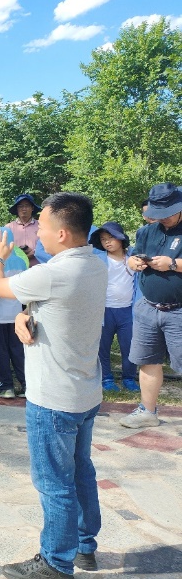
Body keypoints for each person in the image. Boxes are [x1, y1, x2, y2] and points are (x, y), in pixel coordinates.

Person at [0, 192, 106, 579]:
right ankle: (84, 546)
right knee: (81, 471)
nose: (38, 234)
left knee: (54, 483)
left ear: (64, 233)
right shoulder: (95, 263)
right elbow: (48, 305)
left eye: (43, 228)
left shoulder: (53, 273)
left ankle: (56, 564)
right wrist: (24, 315)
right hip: (84, 392)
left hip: (53, 398)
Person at [119, 182, 182, 429]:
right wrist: (133, 263)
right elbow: (133, 257)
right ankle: (147, 411)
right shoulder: (146, 231)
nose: (162, 218)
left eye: (167, 213)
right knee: (148, 360)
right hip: (148, 307)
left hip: (179, 309)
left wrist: (173, 264)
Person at [88, 222, 138, 393]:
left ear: (121, 238)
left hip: (127, 310)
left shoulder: (133, 257)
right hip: (104, 310)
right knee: (103, 347)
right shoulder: (98, 258)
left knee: (129, 346)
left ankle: (129, 378)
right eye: (103, 239)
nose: (107, 242)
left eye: (111, 238)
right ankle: (106, 378)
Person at [0, 227, 27, 399]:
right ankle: (26, 385)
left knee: (0, 352)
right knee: (18, 351)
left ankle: (6, 387)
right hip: (15, 315)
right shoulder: (21, 262)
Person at [8, 194, 41, 266]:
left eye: (27, 206)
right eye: (20, 206)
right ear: (17, 209)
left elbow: (48, 245)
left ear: (32, 208)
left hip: (37, 267)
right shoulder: (9, 228)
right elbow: (4, 247)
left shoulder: (41, 226)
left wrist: (34, 252)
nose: (24, 209)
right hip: (16, 267)